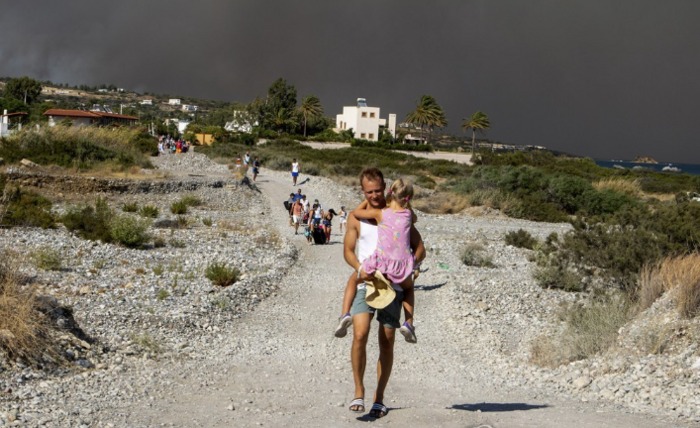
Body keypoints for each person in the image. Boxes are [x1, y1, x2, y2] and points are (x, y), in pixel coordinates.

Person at [340, 168, 425, 418]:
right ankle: (358, 389)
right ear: (363, 192)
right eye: (369, 192)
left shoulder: (397, 214)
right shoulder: (359, 217)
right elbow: (347, 250)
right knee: (359, 334)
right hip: (366, 281)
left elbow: (420, 249)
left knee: (386, 342)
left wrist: (411, 266)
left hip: (394, 286)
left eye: (378, 190)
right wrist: (358, 269)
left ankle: (379, 397)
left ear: (385, 187)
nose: (375, 195)